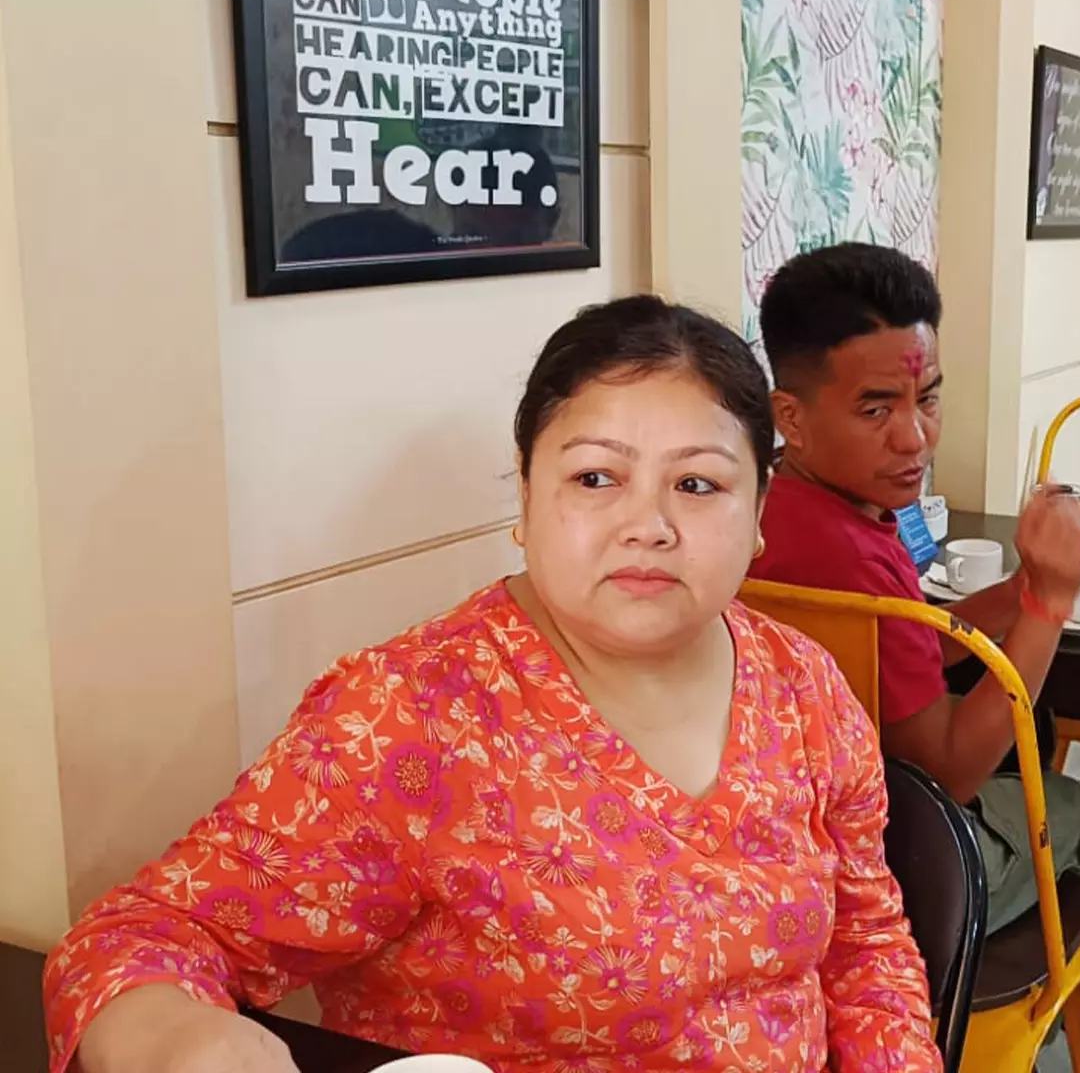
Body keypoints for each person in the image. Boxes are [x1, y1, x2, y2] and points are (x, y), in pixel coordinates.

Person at [43, 297, 941, 1073]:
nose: (649, 526)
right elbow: (140, 938)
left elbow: (865, 947)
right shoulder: (409, 718)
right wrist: (173, 1038)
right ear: (524, 499)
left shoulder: (804, 686)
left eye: (698, 485)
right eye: (596, 477)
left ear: (757, 515)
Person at [748, 242, 1080, 940]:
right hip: (890, 863)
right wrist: (1050, 603)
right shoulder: (846, 555)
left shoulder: (765, 501)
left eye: (928, 397)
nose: (915, 440)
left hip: (786, 835)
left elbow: (898, 646)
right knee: (1066, 804)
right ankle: (984, 1010)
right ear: (790, 415)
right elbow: (949, 770)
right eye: (875, 411)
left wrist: (1019, 585)